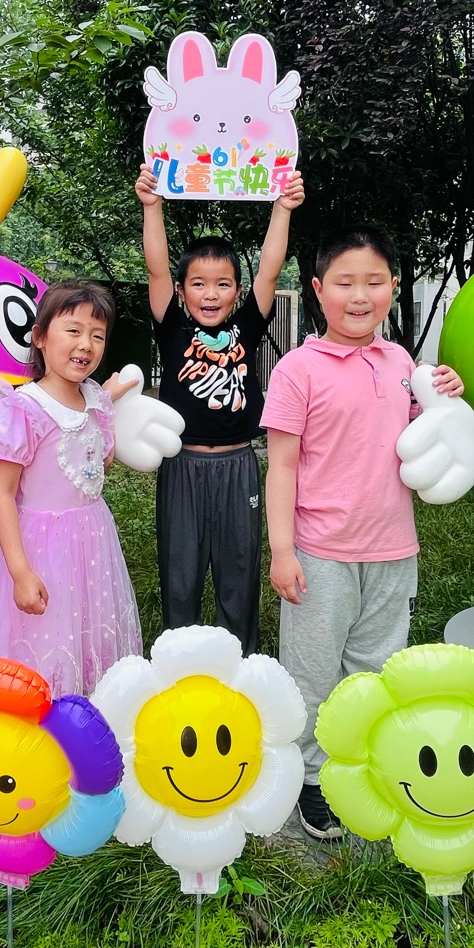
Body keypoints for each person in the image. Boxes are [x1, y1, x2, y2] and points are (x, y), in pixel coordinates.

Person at [260, 228, 465, 841]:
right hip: (320, 553)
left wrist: (443, 395)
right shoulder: (298, 370)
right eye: (345, 283)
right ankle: (312, 777)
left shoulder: (402, 364)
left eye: (374, 282)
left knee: (374, 667)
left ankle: (359, 762)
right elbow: (282, 466)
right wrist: (281, 551)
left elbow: (423, 433)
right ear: (318, 289)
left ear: (393, 287)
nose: (359, 296)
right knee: (312, 673)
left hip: (393, 549)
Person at [136, 163, 305, 655]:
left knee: (239, 573)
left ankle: (241, 659)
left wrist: (282, 209)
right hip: (182, 466)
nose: (210, 294)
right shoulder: (172, 327)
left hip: (238, 465)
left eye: (223, 284)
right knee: (180, 576)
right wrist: (152, 207)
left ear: (236, 291)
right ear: (182, 291)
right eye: (198, 283)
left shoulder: (247, 327)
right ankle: (177, 660)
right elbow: (156, 268)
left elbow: (269, 270)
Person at [0, 280, 143, 696]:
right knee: (47, 640)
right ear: (40, 337)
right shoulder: (23, 408)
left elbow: (97, 462)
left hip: (94, 540)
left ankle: (89, 719)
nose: (86, 344)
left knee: (90, 631)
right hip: (42, 548)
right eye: (73, 330)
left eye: (97, 335)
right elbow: (2, 493)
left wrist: (111, 399)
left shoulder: (95, 400)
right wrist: (20, 571)